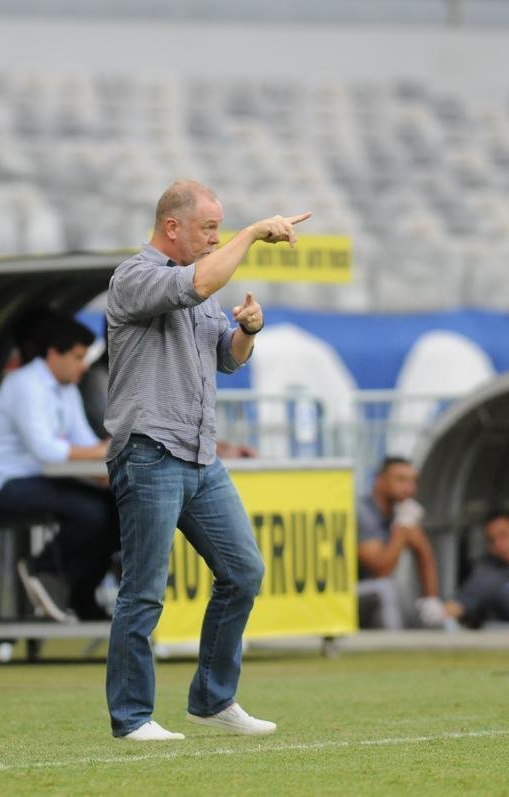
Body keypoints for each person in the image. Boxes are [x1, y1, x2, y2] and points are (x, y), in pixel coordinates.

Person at [103, 179, 311, 741]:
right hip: (148, 450)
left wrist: (248, 330)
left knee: (243, 571)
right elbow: (193, 285)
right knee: (144, 591)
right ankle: (132, 719)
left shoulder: (204, 284)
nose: (215, 238)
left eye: (220, 228)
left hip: (199, 454)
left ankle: (212, 701)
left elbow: (227, 359)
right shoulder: (135, 276)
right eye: (208, 228)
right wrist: (249, 233)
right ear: (172, 227)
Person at [0, 315, 119, 622]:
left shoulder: (65, 388)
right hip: (4, 486)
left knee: (115, 509)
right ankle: (42, 570)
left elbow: (83, 441)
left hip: (40, 480)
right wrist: (100, 453)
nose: (83, 366)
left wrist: (103, 472)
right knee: (92, 513)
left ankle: (81, 597)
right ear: (54, 354)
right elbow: (46, 450)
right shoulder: (25, 385)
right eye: (78, 357)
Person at [355, 457, 444, 628]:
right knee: (386, 588)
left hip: (374, 594)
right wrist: (402, 531)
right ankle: (393, 646)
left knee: (432, 613)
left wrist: (431, 600)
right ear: (379, 481)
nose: (409, 488)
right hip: (346, 594)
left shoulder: (399, 512)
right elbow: (381, 569)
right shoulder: (362, 512)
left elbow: (424, 553)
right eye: (401, 479)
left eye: (413, 481)